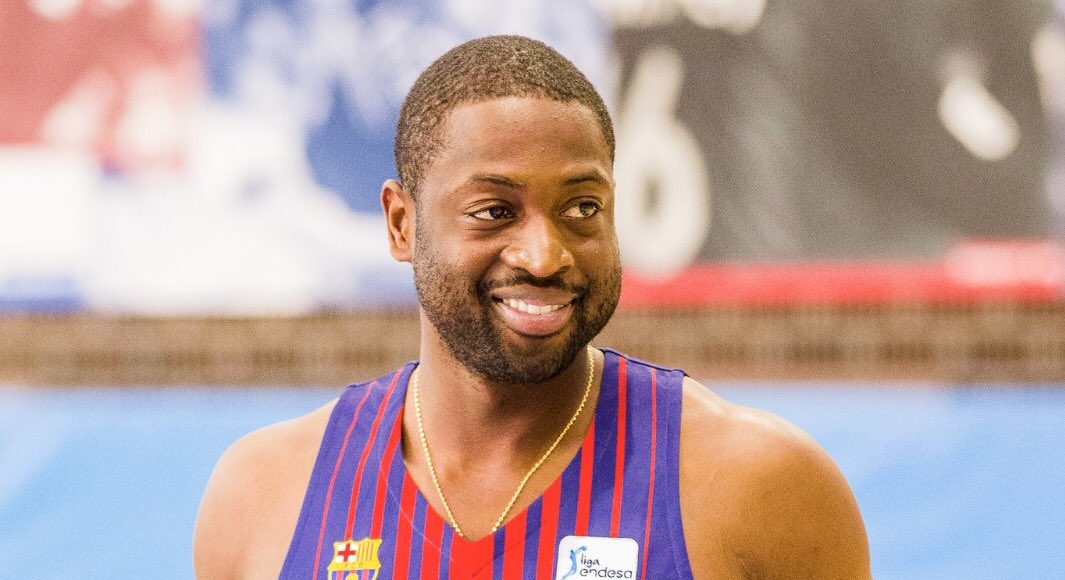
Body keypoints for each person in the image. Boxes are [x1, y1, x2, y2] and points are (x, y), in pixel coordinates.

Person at [194, 35, 871, 579]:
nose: (544, 256)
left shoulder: (762, 486)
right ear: (402, 224)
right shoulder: (265, 495)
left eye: (582, 207)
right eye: (494, 211)